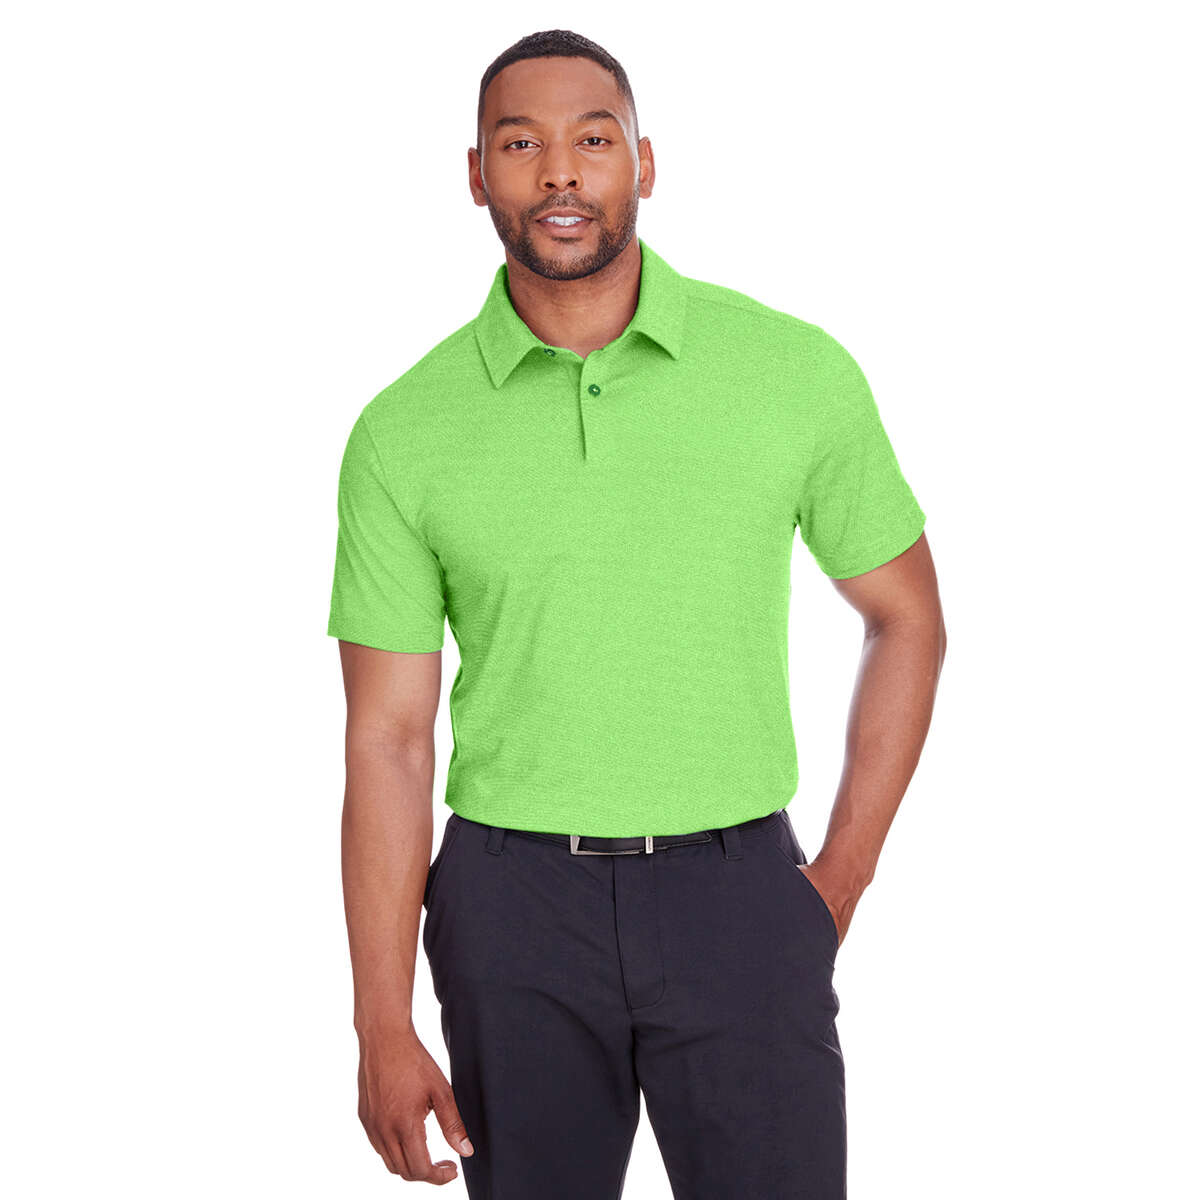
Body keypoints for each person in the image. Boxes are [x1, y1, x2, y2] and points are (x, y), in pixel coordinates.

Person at [327, 27, 947, 1198]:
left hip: (740, 892)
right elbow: (389, 737)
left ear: (645, 164)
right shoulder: (403, 432)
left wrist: (840, 878)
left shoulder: (792, 372)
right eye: (522, 143)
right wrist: (380, 1022)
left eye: (594, 140)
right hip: (510, 908)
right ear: (476, 175)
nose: (560, 171)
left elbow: (907, 615)